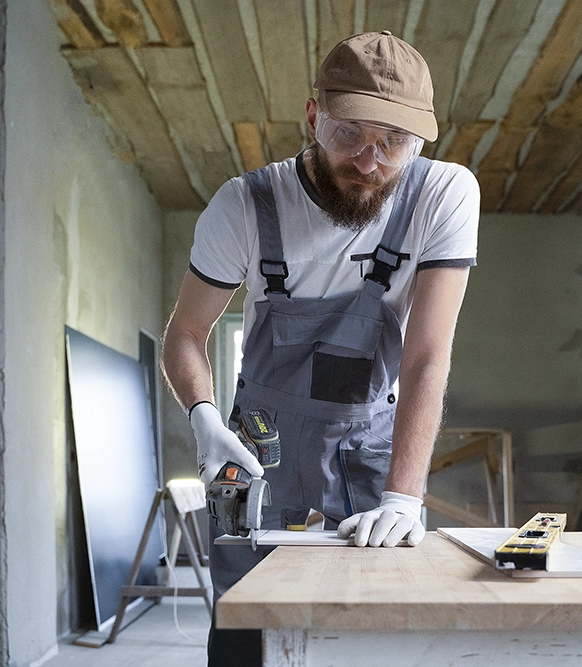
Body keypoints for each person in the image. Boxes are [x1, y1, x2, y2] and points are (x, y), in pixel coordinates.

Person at [161, 30, 479, 666]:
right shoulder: (244, 206)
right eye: (349, 135)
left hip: (370, 448)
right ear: (314, 117)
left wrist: (403, 495)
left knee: (373, 631)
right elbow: (185, 336)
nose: (368, 161)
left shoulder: (442, 195)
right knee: (245, 630)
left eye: (394, 143)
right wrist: (205, 421)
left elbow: (426, 358)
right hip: (257, 454)